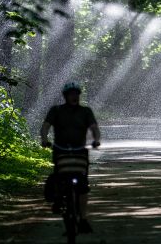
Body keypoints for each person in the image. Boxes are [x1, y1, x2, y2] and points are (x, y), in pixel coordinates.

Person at [40, 82, 100, 233]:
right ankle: (58, 199)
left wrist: (96, 139)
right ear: (66, 96)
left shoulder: (85, 111)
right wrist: (44, 139)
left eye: (76, 94)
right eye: (71, 94)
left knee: (83, 185)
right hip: (60, 150)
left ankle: (83, 218)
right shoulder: (56, 110)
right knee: (58, 176)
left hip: (80, 151)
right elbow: (46, 126)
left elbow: (94, 128)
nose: (75, 96)